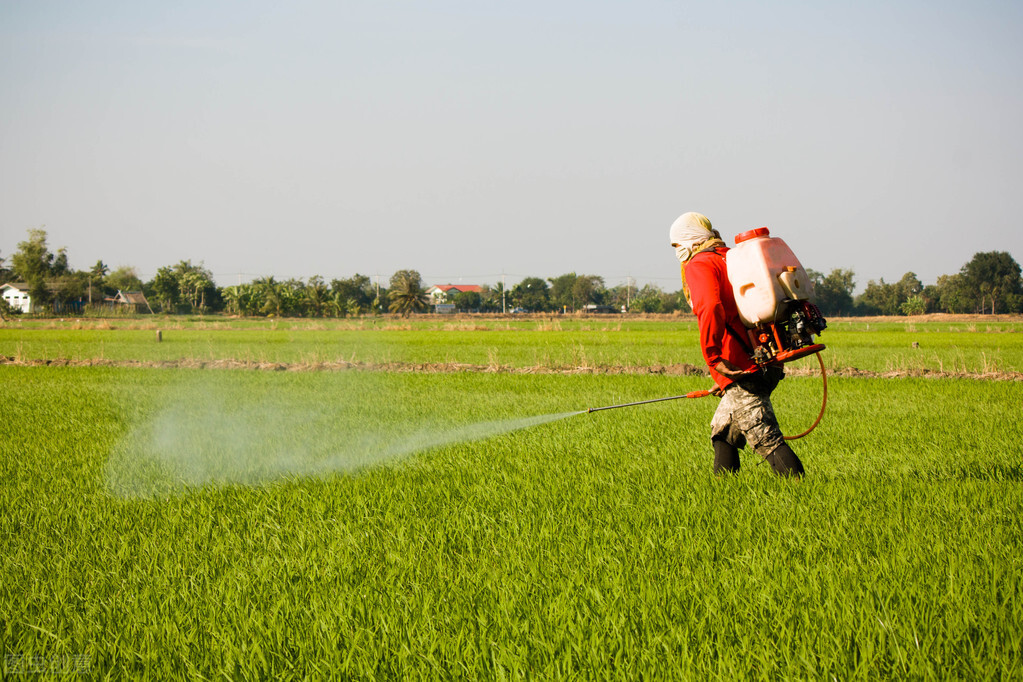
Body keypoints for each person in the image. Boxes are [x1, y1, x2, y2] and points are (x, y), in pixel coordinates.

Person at [669, 212, 805, 477]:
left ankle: (806, 494)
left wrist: (714, 359)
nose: (676, 251)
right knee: (723, 430)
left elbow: (710, 307)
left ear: (688, 240)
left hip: (743, 364)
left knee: (765, 438)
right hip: (766, 357)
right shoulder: (730, 257)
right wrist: (723, 380)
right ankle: (723, 494)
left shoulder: (700, 264)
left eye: (676, 245)